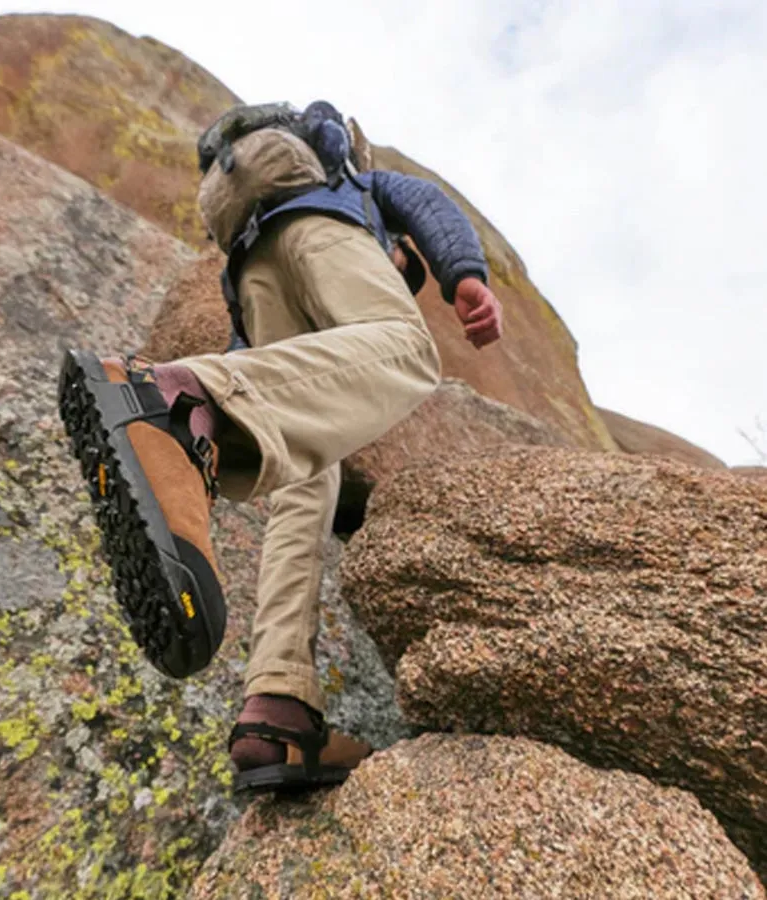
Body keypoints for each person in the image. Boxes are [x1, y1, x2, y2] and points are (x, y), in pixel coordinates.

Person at [58, 100, 502, 795]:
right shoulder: (353, 190)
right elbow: (425, 200)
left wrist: (235, 406)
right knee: (405, 344)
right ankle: (175, 404)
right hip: (314, 235)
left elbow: (265, 378)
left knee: (304, 475)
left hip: (252, 268)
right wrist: (464, 273)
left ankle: (279, 706)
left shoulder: (262, 229)